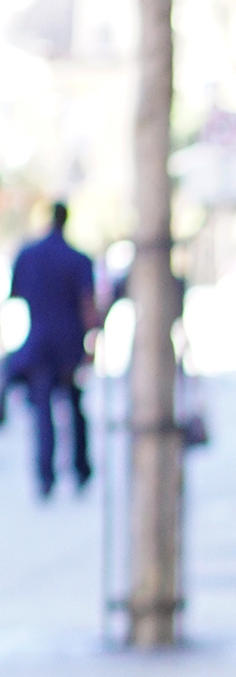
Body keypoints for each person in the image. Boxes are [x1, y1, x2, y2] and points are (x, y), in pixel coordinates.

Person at [5, 202, 99, 498]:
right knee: (73, 406)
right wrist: (92, 343)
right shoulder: (77, 259)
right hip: (68, 344)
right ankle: (79, 469)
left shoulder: (28, 255)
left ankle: (46, 476)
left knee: (43, 411)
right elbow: (87, 304)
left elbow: (15, 299)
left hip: (41, 342)